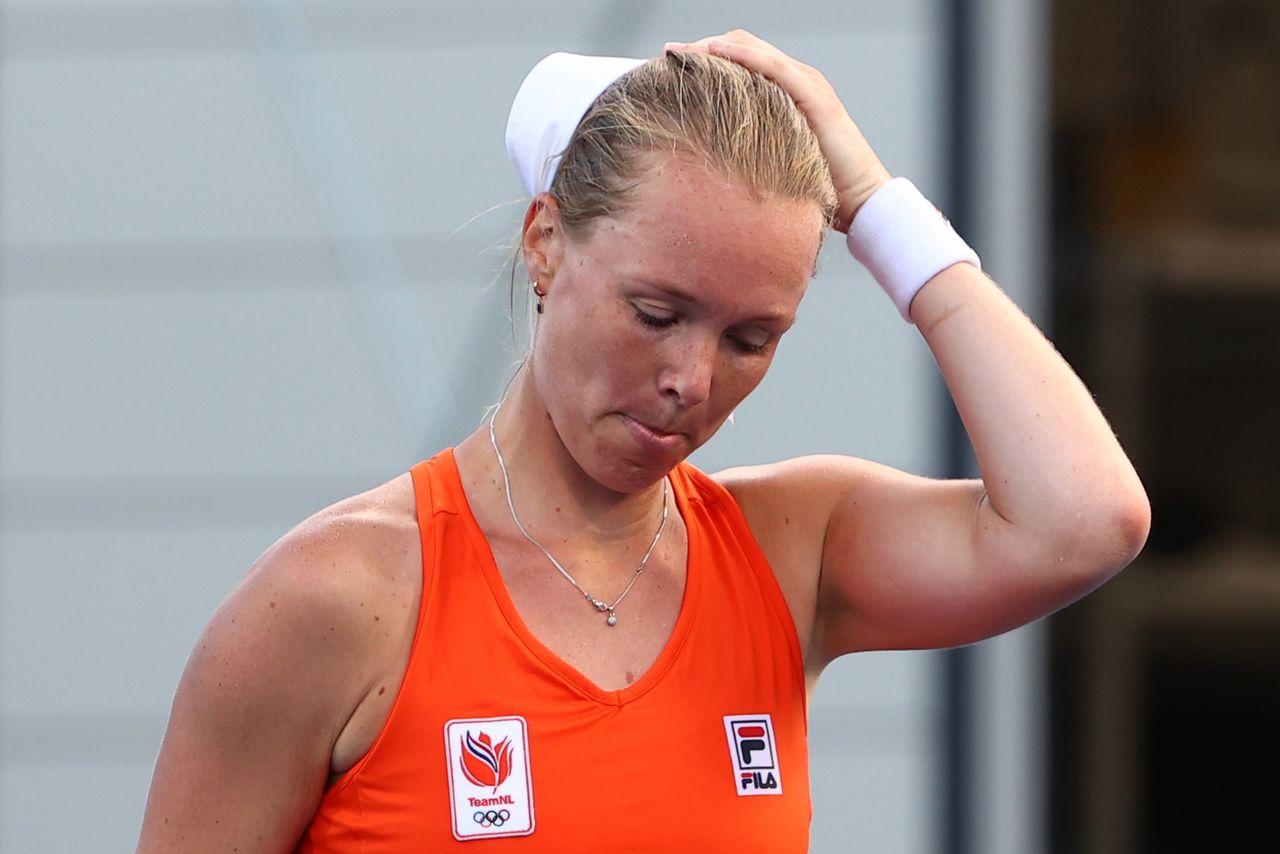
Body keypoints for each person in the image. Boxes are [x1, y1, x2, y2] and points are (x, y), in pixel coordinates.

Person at [135, 30, 1150, 853]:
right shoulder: (341, 596)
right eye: (656, 313)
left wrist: (879, 208)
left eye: (751, 339)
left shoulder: (786, 553)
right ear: (544, 242)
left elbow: (1084, 519)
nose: (691, 381)